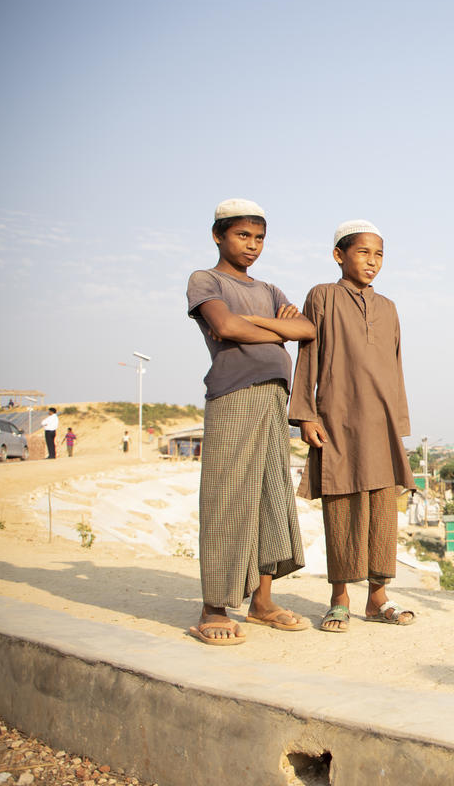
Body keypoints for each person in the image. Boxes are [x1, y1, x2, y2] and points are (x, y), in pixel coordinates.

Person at [185, 198, 316, 645]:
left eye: (259, 238)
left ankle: (262, 602)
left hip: (273, 398)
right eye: (243, 236)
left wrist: (260, 322)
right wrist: (275, 330)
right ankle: (214, 607)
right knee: (226, 499)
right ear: (219, 235)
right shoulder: (206, 280)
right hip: (233, 396)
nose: (252, 246)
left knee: (268, 497)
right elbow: (225, 328)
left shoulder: (270, 290)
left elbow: (308, 330)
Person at [289, 219, 417, 633]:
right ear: (339, 255)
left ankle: (377, 599)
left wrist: (397, 423)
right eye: (363, 252)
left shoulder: (389, 308)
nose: (372, 262)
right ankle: (339, 598)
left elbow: (396, 369)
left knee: (383, 511)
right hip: (338, 419)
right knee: (342, 509)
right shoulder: (322, 297)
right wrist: (306, 414)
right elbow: (307, 356)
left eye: (379, 254)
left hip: (381, 424)